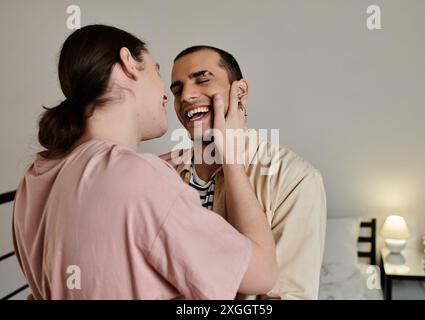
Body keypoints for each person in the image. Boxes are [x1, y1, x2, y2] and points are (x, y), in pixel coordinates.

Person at [12, 25, 277, 300]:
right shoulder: (141, 178)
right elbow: (263, 273)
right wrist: (230, 156)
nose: (169, 95)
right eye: (158, 71)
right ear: (128, 63)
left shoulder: (34, 179)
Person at [162, 46, 327, 299]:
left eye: (202, 79)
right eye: (177, 90)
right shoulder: (162, 174)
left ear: (240, 91)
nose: (186, 96)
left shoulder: (296, 179)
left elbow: (288, 296)